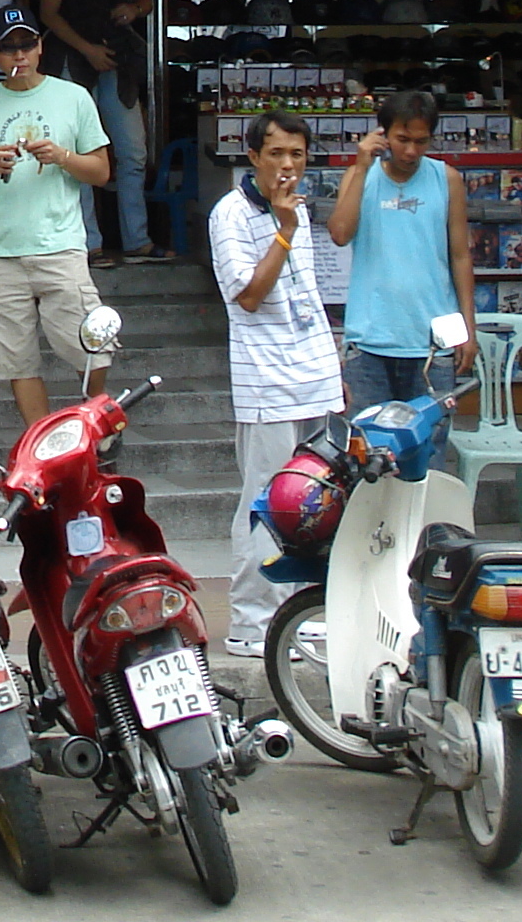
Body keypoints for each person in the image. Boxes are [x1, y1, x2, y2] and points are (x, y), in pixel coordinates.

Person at [207, 112, 345, 658]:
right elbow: (248, 296)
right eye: (277, 154)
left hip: (314, 376)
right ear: (254, 158)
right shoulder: (232, 215)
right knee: (267, 502)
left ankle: (302, 613)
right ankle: (252, 621)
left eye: (298, 155)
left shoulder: (299, 210)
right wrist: (284, 231)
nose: (288, 165)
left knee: (317, 502)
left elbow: (306, 294)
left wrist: (332, 368)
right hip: (266, 381)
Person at [0, 7, 114, 429]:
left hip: (60, 245)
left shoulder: (73, 97)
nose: (18, 55)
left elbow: (101, 172)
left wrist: (62, 157)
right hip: (3, 251)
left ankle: (97, 429)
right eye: (7, 47)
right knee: (15, 357)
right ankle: (41, 445)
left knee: (91, 347)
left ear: (40, 47)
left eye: (26, 44)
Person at [327, 88, 479, 451]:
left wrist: (468, 330)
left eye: (421, 141)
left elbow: (460, 256)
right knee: (365, 455)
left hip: (431, 346)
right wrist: (362, 166)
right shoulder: (359, 177)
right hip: (370, 343)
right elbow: (339, 233)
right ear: (383, 134)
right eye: (402, 139)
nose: (411, 151)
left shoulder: (447, 179)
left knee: (428, 456)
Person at [40, 0, 164, 263]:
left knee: (132, 152)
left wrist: (134, 9)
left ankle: (136, 240)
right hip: (74, 62)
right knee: (79, 154)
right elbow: (48, 14)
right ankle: (89, 242)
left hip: (115, 63)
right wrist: (86, 49)